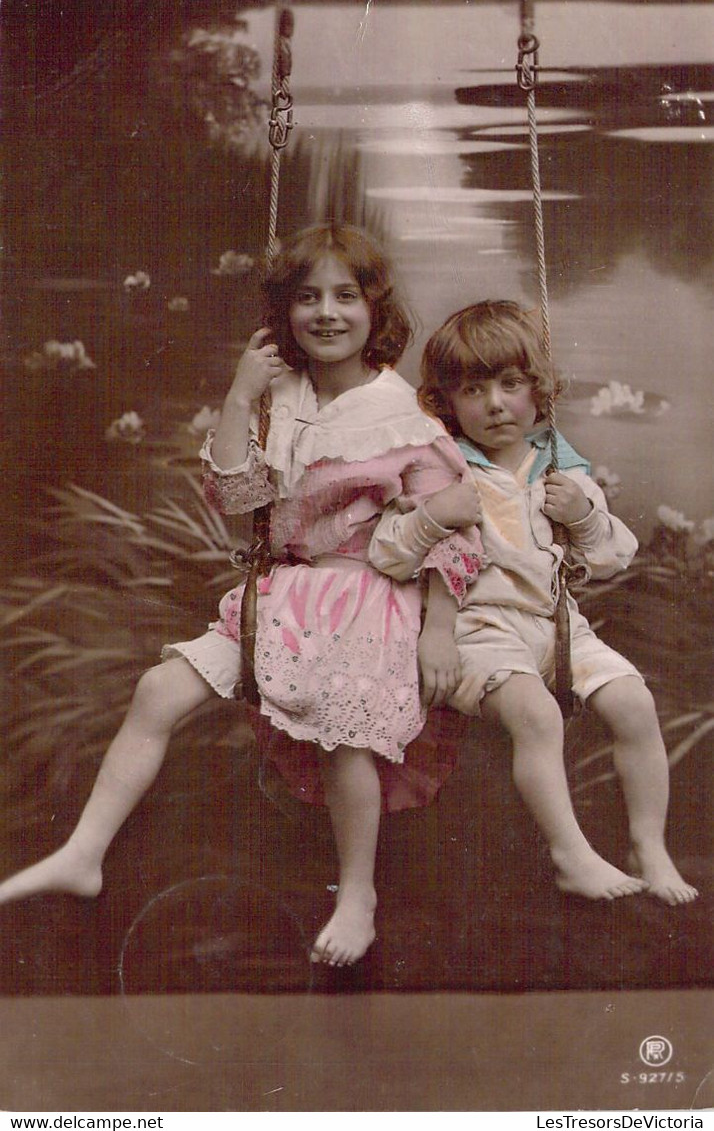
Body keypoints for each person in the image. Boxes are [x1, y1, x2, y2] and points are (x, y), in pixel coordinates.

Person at [0, 225, 483, 965]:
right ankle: (84, 852)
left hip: (369, 595)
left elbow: (452, 530)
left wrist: (440, 631)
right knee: (159, 690)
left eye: (346, 297)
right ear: (283, 313)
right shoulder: (276, 396)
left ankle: (359, 895)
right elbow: (237, 496)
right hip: (282, 597)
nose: (326, 314)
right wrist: (238, 395)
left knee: (344, 737)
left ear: (374, 309)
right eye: (307, 298)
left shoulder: (403, 416)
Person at [370, 299, 698, 906]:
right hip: (479, 632)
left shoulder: (557, 467)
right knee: (537, 717)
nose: (495, 403)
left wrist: (584, 515)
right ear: (446, 401)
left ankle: (648, 845)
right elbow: (388, 554)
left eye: (511, 384)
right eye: (474, 389)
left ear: (536, 391)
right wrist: (436, 518)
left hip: (560, 628)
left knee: (634, 702)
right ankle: (570, 854)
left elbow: (608, 560)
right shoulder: (438, 471)